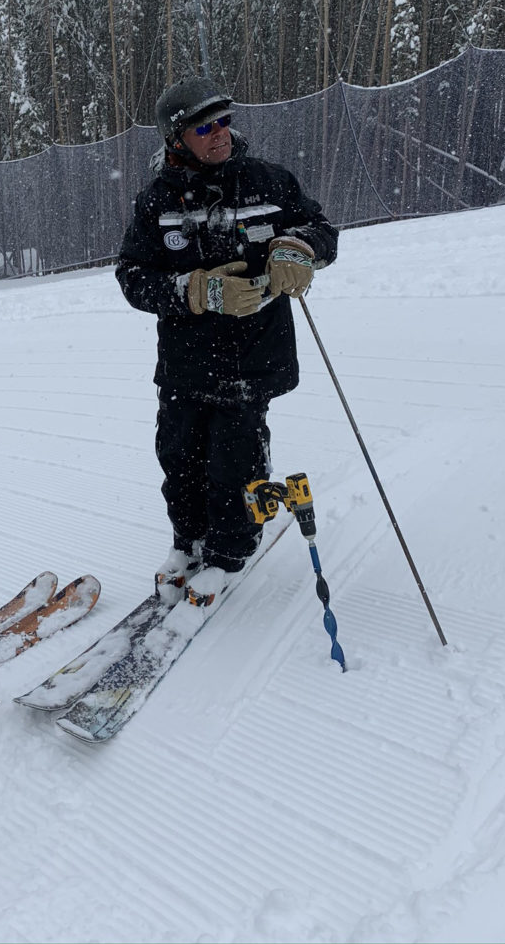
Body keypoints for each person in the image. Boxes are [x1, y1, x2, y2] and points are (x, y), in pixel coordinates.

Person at [116, 77, 339, 607]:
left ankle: (229, 553)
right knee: (178, 457)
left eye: (223, 121)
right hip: (185, 362)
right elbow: (131, 276)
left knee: (232, 461)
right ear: (177, 138)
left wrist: (297, 247)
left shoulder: (269, 183)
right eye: (203, 127)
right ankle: (188, 543)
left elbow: (322, 229)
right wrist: (193, 289)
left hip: (251, 356)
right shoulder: (157, 204)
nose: (218, 134)